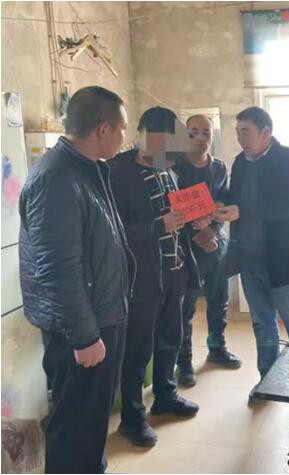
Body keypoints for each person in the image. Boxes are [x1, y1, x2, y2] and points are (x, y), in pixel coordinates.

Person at [19, 86, 131, 473]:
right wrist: (84, 336)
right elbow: (57, 268)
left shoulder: (86, 169)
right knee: (75, 426)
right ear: (103, 130)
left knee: (92, 421)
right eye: (122, 129)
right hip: (80, 329)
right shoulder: (56, 179)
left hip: (99, 316)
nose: (124, 138)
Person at [111, 107, 200, 447]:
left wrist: (195, 220)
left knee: (170, 339)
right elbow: (112, 231)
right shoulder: (117, 172)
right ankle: (132, 418)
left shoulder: (169, 172)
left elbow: (176, 215)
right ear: (144, 135)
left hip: (174, 270)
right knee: (137, 349)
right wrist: (158, 225)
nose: (168, 158)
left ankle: (165, 395)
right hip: (140, 278)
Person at [214, 106, 289, 398]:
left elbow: (286, 206)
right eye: (237, 133)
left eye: (245, 132)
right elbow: (235, 197)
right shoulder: (240, 163)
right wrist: (220, 204)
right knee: (262, 324)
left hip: (282, 260)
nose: (240, 139)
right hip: (249, 259)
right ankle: (267, 382)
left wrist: (241, 211)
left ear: (266, 132)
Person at [173, 114, 241, 387]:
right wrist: (196, 229)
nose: (200, 138)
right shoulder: (175, 166)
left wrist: (212, 229)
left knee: (218, 299)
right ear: (184, 134)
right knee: (186, 305)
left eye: (206, 133)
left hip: (215, 242)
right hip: (185, 246)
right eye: (194, 132)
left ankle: (217, 348)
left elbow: (223, 202)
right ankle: (184, 361)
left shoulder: (219, 168)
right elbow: (172, 204)